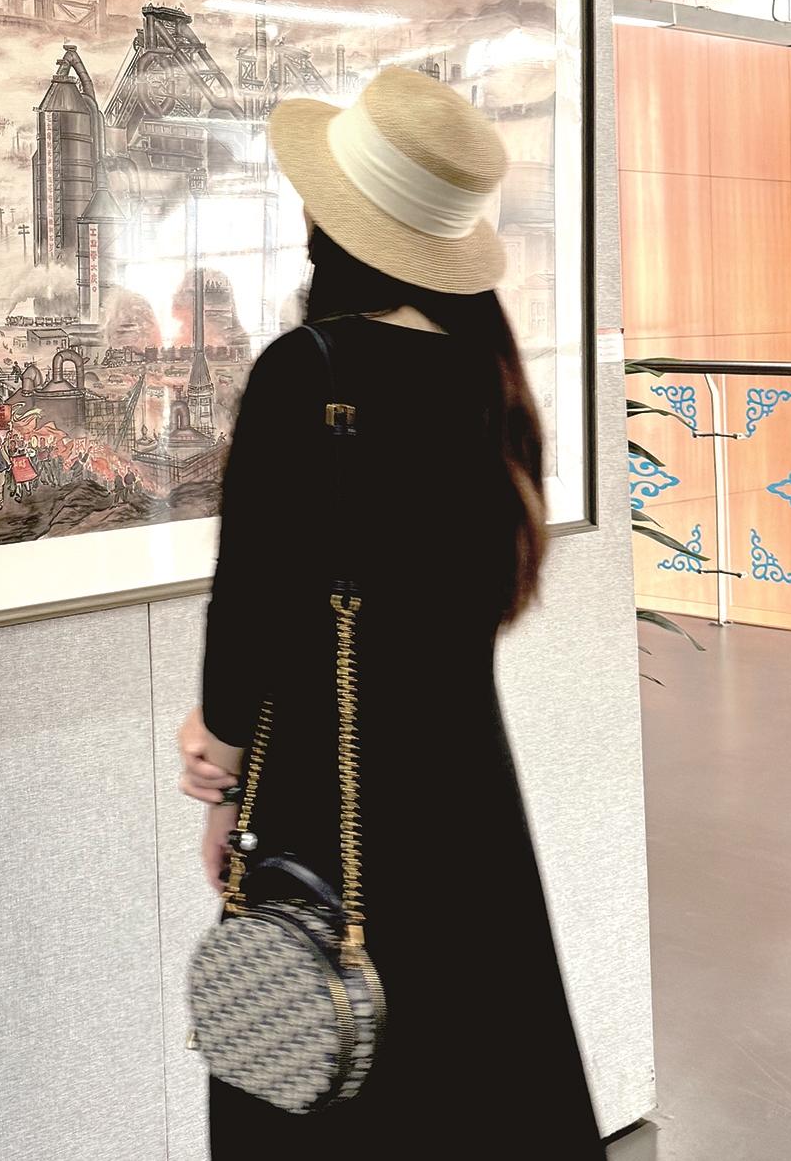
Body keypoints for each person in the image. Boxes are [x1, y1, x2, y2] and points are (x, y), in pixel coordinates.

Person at [177, 69, 606, 1160]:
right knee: (473, 1067)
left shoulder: (305, 370)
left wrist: (217, 763)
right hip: (470, 800)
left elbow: (251, 600)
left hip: (331, 792)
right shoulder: (483, 376)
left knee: (319, 1064)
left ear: (334, 221)